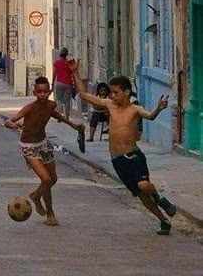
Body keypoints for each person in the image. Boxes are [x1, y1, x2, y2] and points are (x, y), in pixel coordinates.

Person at [71, 62, 177, 235]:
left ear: (126, 92)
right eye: (111, 92)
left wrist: (158, 108)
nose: (112, 96)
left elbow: (149, 116)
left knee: (143, 185)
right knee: (141, 196)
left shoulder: (135, 109)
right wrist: (75, 72)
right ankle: (164, 221)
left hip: (133, 156)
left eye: (115, 92)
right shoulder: (110, 106)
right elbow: (83, 95)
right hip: (117, 160)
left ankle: (159, 198)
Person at [4, 76, 85, 226]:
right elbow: (9, 121)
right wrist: (12, 124)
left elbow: (57, 116)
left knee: (52, 179)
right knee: (46, 179)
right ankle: (40, 202)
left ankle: (46, 208)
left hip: (43, 144)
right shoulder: (29, 108)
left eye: (45, 92)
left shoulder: (51, 105)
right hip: (28, 146)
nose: (42, 94)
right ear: (34, 92)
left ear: (49, 92)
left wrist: (74, 126)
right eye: (39, 91)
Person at [52, 47, 74, 118]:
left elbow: (54, 73)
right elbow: (72, 74)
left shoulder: (57, 62)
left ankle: (60, 115)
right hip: (68, 83)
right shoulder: (69, 63)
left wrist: (52, 83)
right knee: (67, 101)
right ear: (66, 55)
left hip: (59, 83)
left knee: (59, 100)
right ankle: (67, 116)